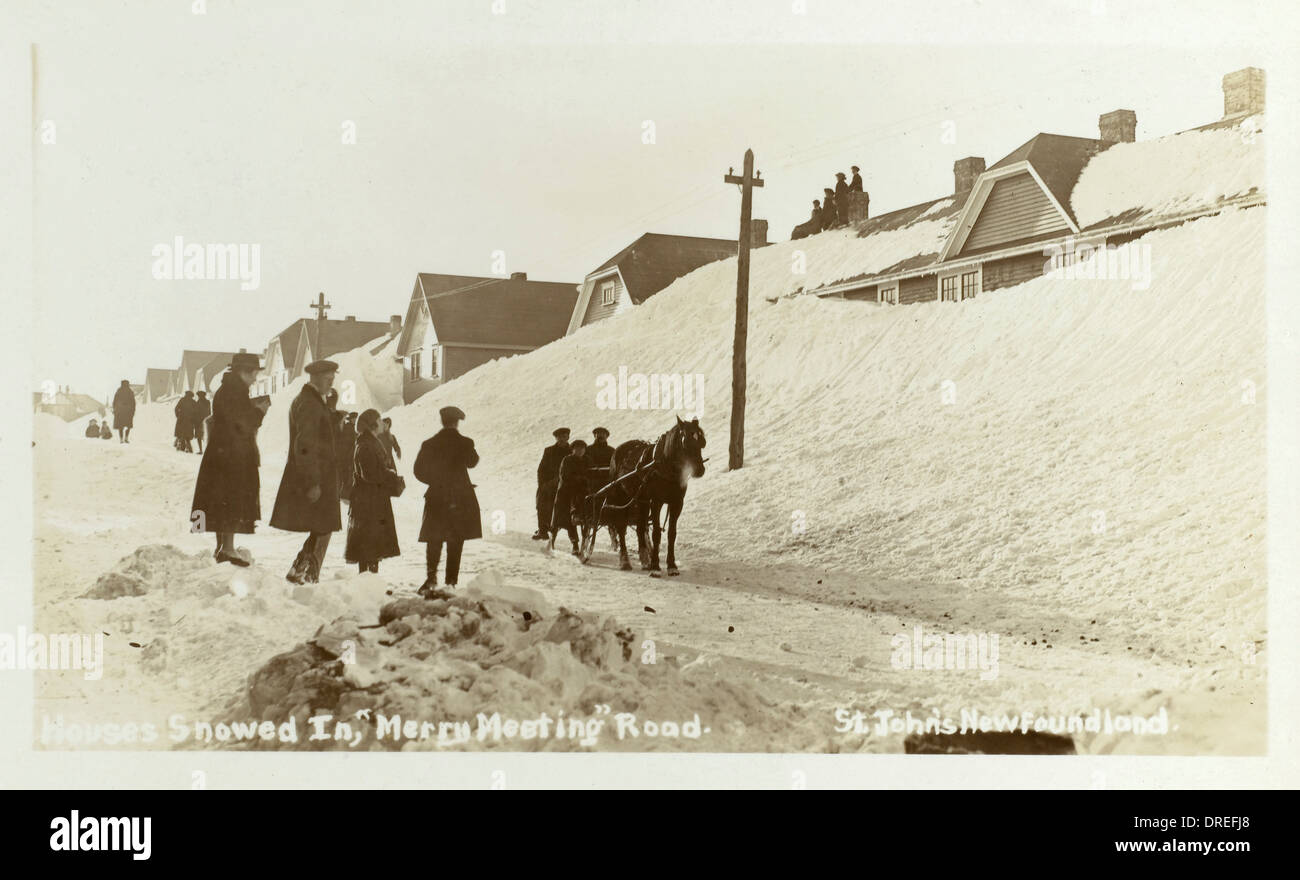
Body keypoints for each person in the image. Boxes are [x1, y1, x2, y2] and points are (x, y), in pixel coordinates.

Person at [190, 352, 269, 566]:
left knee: (222, 500)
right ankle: (227, 548)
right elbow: (242, 423)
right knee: (231, 499)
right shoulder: (236, 391)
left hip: (223, 453)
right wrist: (259, 412)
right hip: (232, 456)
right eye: (254, 374)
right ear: (244, 372)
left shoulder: (228, 389)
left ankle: (223, 547)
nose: (255, 379)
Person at [270, 360, 342, 585]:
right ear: (316, 378)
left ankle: (299, 568)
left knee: (322, 525)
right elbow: (305, 444)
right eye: (329, 380)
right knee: (325, 525)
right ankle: (309, 574)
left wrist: (330, 410)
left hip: (319, 474)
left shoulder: (310, 401)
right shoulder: (309, 404)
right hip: (317, 475)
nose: (332, 384)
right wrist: (313, 481)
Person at [414, 406, 481, 595]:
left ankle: (431, 578)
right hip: (460, 498)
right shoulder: (465, 442)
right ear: (456, 422)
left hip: (437, 496)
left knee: (434, 538)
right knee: (456, 539)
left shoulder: (430, 444)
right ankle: (451, 582)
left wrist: (435, 481)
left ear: (442, 421)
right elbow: (472, 462)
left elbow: (418, 471)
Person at [344, 409, 403, 574]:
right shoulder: (365, 445)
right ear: (372, 424)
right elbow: (369, 474)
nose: (381, 422)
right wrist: (389, 475)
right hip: (368, 501)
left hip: (372, 499)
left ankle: (369, 580)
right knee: (368, 545)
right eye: (378, 419)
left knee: (372, 545)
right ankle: (366, 581)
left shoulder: (370, 441)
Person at [550, 439, 590, 556]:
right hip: (565, 494)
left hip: (580, 494)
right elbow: (564, 476)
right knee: (558, 521)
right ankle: (552, 541)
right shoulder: (567, 460)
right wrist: (580, 479)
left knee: (571, 521)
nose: (580, 451)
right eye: (577, 449)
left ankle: (575, 545)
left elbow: (592, 473)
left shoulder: (587, 460)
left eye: (582, 449)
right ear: (572, 450)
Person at [532, 427, 570, 540]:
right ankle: (543, 530)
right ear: (556, 438)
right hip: (550, 483)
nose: (562, 439)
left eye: (564, 436)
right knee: (542, 500)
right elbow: (541, 470)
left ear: (568, 437)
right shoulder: (549, 451)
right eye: (559, 437)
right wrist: (542, 485)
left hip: (568, 483)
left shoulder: (573, 450)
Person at [337, 412, 358, 505]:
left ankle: (343, 494)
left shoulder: (350, 427)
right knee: (347, 475)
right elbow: (347, 444)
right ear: (352, 419)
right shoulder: (349, 428)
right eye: (355, 418)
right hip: (347, 456)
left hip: (347, 455)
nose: (356, 420)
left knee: (347, 475)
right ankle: (344, 495)